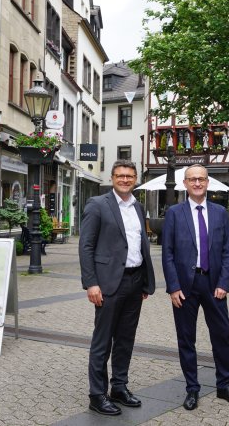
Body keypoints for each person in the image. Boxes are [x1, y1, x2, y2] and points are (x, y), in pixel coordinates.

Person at [79, 160, 156, 416]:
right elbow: (86, 246)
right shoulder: (98, 205)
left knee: (125, 340)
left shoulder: (137, 206)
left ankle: (119, 387)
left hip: (134, 282)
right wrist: (91, 283)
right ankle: (97, 395)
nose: (125, 180)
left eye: (130, 176)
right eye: (120, 176)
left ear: (135, 179)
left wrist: (145, 281)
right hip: (108, 283)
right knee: (102, 341)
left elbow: (140, 245)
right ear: (112, 178)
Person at [162, 165, 229, 410]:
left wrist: (224, 283)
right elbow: (167, 253)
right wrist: (173, 287)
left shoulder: (220, 213)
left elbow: (228, 252)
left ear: (208, 182)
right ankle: (192, 389)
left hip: (213, 283)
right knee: (186, 339)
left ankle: (224, 385)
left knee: (222, 336)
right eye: (192, 179)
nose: (197, 183)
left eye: (201, 179)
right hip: (185, 286)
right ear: (185, 184)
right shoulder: (175, 213)